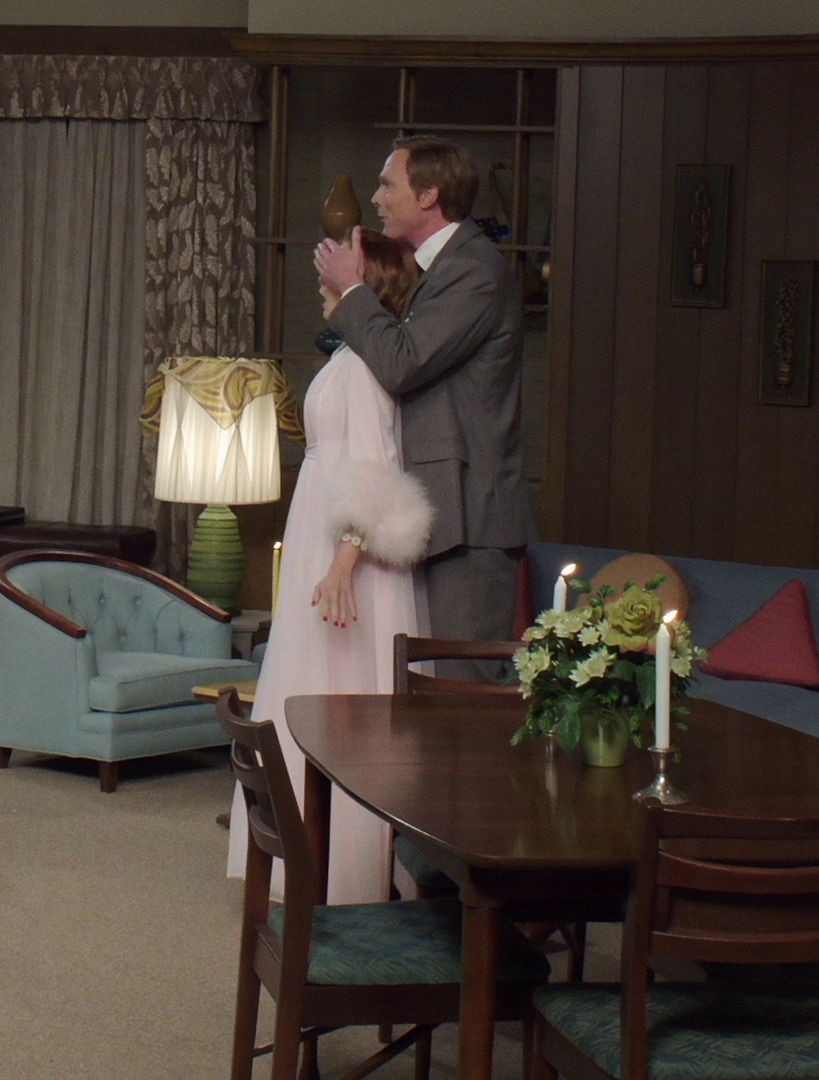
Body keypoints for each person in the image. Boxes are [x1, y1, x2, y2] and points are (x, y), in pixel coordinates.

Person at [226, 233, 434, 905]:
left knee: (341, 698)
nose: (322, 283)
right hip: (320, 532)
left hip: (347, 553)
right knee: (312, 684)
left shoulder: (365, 366)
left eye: (337, 273)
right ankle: (308, 857)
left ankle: (346, 869)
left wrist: (345, 560)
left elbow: (375, 469)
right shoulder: (349, 356)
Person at [314, 136, 536, 677]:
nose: (377, 198)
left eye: (388, 186)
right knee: (424, 695)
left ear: (429, 194)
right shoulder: (435, 270)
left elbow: (403, 361)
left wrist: (352, 291)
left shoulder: (474, 271)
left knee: (460, 696)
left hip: (470, 520)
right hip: (435, 516)